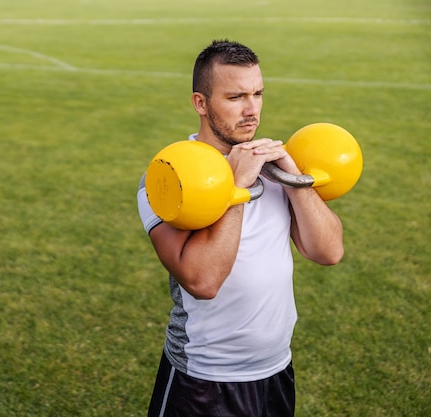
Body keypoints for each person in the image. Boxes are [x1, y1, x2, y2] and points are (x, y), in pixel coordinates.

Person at [136, 39, 344, 417]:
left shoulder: (273, 166)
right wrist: (240, 189)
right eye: (235, 97)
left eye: (258, 94)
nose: (252, 111)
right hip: (201, 379)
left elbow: (328, 252)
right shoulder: (168, 178)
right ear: (201, 103)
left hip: (275, 369)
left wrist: (295, 179)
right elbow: (203, 281)